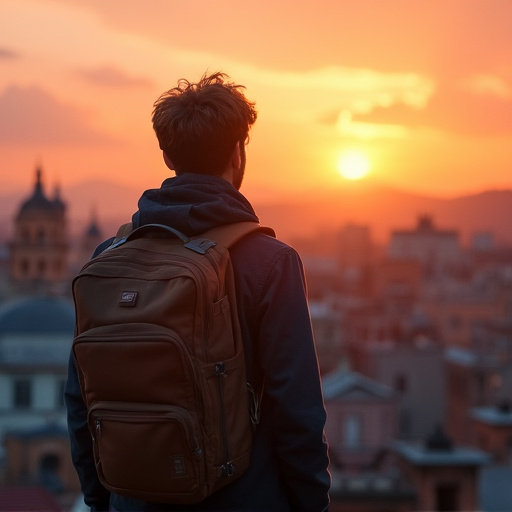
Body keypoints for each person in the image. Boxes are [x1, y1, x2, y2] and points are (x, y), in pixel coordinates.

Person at [65, 71, 331, 512]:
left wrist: (103, 501)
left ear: (167, 156)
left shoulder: (107, 258)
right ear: (239, 153)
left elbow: (81, 401)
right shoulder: (270, 262)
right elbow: (298, 414)